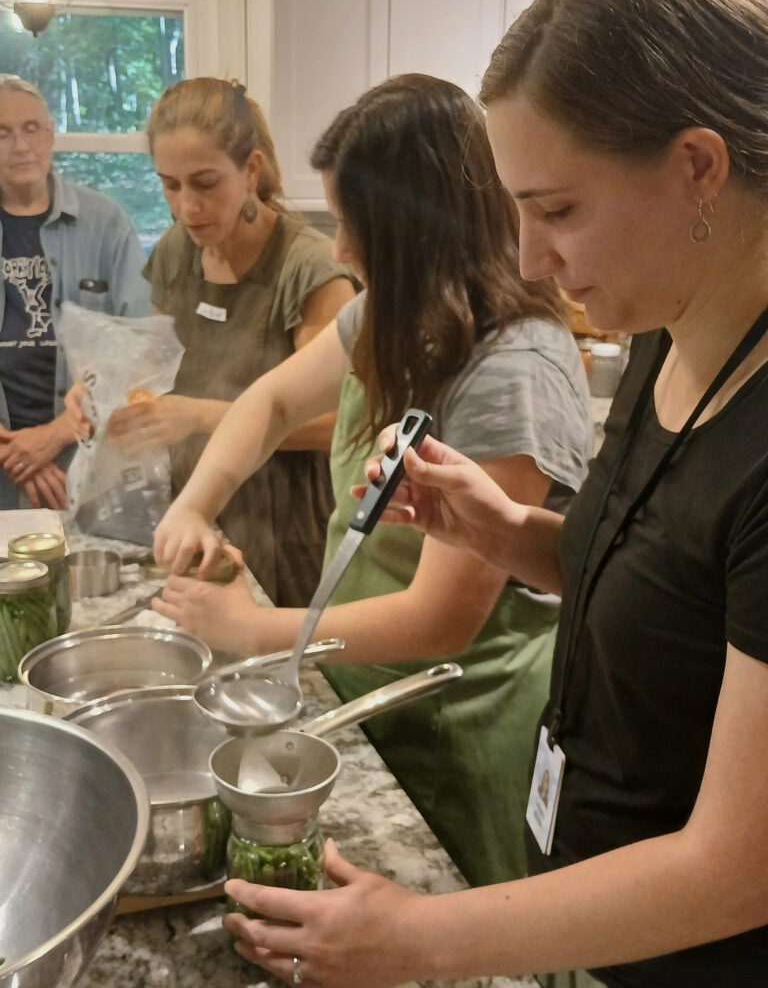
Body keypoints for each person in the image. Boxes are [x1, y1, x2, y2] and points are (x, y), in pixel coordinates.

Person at [217, 0, 768, 986]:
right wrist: (504, 528)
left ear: (698, 167)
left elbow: (740, 863)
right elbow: (674, 587)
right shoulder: (670, 321)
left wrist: (422, 936)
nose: (531, 254)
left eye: (556, 208)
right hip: (593, 918)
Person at [152, 73, 592, 888]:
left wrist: (252, 629)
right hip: (358, 681)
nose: (342, 251)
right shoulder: (391, 310)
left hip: (458, 717)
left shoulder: (513, 369)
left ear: (420, 225)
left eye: (357, 227)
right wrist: (193, 505)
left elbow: (441, 620)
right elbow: (274, 400)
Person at [106, 77, 356, 606]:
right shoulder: (176, 251)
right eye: (169, 185)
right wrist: (106, 394)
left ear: (251, 170)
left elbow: (338, 424)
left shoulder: (308, 267)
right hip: (194, 517)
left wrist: (199, 415)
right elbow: (153, 369)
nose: (186, 207)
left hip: (288, 533)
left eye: (204, 183)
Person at [0, 73, 151, 510]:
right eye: (2, 133)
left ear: (49, 134)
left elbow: (136, 344)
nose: (20, 145)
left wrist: (58, 433)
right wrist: (17, 454)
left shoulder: (105, 223)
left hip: (89, 463)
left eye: (31, 128)